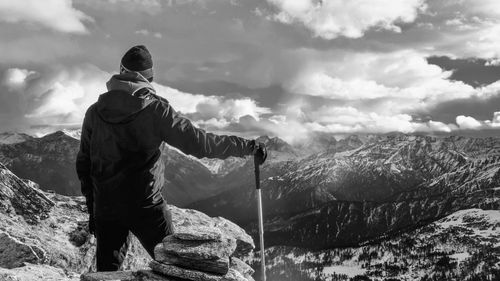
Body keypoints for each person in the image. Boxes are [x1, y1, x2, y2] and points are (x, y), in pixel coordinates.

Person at [76, 45, 267, 271]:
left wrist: (94, 208)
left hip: (106, 207)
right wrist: (247, 146)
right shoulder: (157, 110)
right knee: (175, 267)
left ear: (120, 71)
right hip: (146, 208)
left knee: (106, 274)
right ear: (149, 78)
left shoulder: (94, 112)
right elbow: (199, 143)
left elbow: (84, 164)